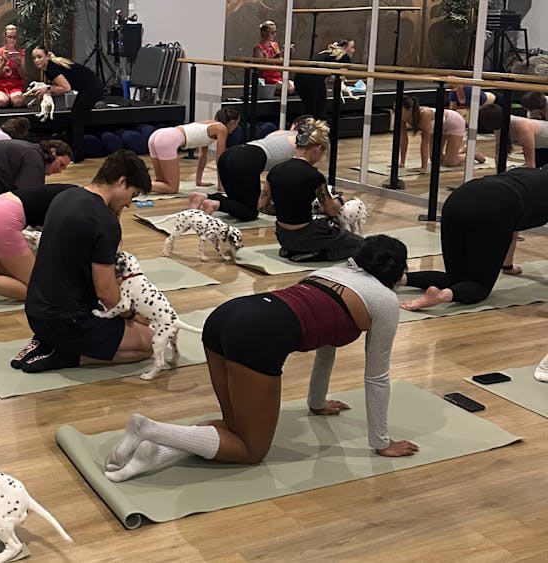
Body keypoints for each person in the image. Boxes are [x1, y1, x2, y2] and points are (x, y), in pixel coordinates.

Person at [102, 235, 419, 483]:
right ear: (397, 272)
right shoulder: (385, 300)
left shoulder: (331, 271)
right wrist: (382, 442)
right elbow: (376, 375)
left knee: (234, 427)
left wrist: (317, 402)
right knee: (251, 449)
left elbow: (327, 343)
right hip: (255, 335)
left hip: (227, 316)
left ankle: (153, 453)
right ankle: (150, 429)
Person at [14, 150, 154, 373]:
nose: (129, 204)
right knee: (150, 343)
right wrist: (133, 315)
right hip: (67, 322)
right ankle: (67, 355)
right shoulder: (103, 221)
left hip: (35, 312)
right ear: (122, 181)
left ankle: (48, 342)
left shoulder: (64, 196)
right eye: (132, 195)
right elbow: (107, 294)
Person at [401, 167, 548, 310]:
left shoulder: (529, 172)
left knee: (456, 279)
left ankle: (398, 278)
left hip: (460, 196)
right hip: (494, 208)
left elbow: (514, 226)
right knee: (479, 286)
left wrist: (507, 267)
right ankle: (440, 296)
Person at [268, 119, 363, 262]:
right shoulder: (315, 176)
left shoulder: (275, 170)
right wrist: (341, 199)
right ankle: (314, 254)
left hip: (282, 236)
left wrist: (287, 209)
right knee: (362, 245)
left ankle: (292, 249)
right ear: (318, 148)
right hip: (306, 236)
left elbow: (262, 206)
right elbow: (331, 210)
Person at [188, 115, 311, 221]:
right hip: (245, 160)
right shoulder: (301, 146)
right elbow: (274, 178)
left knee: (236, 201)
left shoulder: (279, 132)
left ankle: (203, 197)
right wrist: (265, 203)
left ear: (294, 126)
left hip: (231, 153)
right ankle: (216, 204)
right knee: (250, 212)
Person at [31, 47, 104, 162]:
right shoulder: (49, 68)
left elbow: (66, 88)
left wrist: (48, 88)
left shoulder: (52, 68)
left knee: (76, 117)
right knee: (75, 116)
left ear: (47, 56)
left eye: (39, 57)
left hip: (92, 88)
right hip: (87, 87)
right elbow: (62, 88)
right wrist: (48, 91)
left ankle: (78, 156)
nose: (36, 60)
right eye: (34, 58)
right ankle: (72, 150)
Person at [147, 109, 240, 195]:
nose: (236, 127)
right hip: (167, 139)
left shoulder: (210, 125)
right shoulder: (222, 129)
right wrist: (221, 186)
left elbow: (203, 156)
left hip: (157, 135)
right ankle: (137, 184)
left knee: (162, 182)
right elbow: (220, 159)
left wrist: (198, 181)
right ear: (232, 123)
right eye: (237, 123)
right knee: (172, 188)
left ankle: (139, 185)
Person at [400, 96, 486, 172]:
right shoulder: (402, 117)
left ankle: (472, 153)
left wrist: (423, 167)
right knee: (436, 159)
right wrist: (402, 162)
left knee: (450, 162)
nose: (397, 111)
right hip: (439, 128)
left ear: (409, 110)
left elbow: (425, 142)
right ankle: (463, 150)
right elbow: (404, 139)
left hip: (455, 123)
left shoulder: (425, 114)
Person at [294, 39, 355, 120]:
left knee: (312, 108)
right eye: (352, 47)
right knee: (318, 109)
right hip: (311, 77)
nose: (354, 50)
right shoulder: (344, 56)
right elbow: (340, 76)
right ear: (344, 47)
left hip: (300, 76)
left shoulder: (327, 53)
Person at [478, 104, 548, 168]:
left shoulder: (523, 127)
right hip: (541, 146)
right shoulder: (499, 126)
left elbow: (530, 161)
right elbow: (499, 155)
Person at [252, 21, 295, 95]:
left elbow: (280, 63)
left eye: (275, 32)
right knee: (288, 89)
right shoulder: (258, 48)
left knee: (297, 85)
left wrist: (288, 54)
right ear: (263, 32)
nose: (273, 35)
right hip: (267, 79)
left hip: (277, 77)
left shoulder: (275, 45)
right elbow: (261, 66)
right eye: (271, 32)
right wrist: (276, 55)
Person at [0, 25, 27, 109]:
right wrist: (4, 62)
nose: (12, 40)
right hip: (1, 85)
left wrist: (19, 65)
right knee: (1, 102)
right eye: (9, 37)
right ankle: (6, 98)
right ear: (5, 38)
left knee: (18, 102)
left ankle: (12, 99)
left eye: (14, 37)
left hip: (16, 85)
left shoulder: (20, 53)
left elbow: (23, 75)